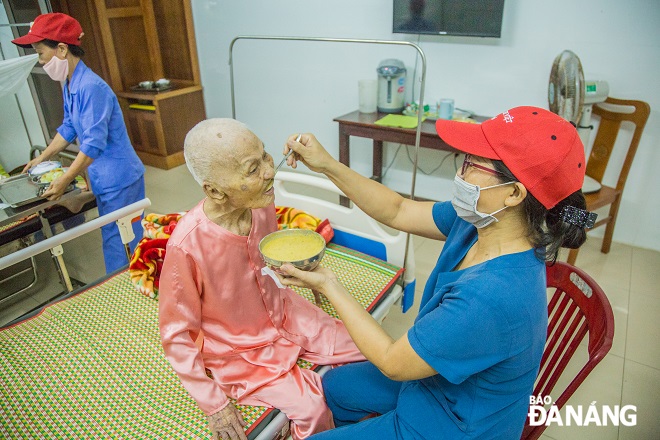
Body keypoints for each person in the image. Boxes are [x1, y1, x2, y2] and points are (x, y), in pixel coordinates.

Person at [277, 106, 596, 439]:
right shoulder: (478, 223)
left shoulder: (492, 295)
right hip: (435, 383)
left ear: (514, 193)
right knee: (336, 386)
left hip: (452, 425)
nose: (459, 172)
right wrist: (327, 163)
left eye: (472, 164)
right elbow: (398, 210)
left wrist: (329, 283)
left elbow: (392, 362)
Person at [158, 118, 365, 440]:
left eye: (266, 157)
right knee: (312, 408)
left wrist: (308, 276)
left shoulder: (259, 204)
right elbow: (175, 334)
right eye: (253, 169)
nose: (271, 171)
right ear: (214, 190)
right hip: (238, 347)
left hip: (287, 313)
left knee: (370, 348)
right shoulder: (187, 246)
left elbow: (267, 262)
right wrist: (214, 404)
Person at [12, 12, 145, 273]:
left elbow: (93, 145)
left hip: (120, 178)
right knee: (114, 235)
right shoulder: (71, 83)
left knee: (123, 242)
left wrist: (65, 180)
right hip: (103, 177)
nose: (40, 60)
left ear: (61, 49)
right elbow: (70, 127)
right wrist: (42, 158)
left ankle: (128, 295)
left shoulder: (91, 87)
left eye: (40, 53)